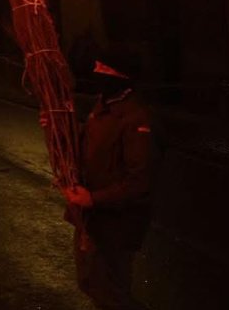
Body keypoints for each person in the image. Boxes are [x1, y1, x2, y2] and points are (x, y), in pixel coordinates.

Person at [56, 51, 159, 310]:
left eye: (105, 68)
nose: (98, 71)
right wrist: (56, 128)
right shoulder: (101, 105)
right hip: (92, 218)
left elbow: (139, 180)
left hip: (117, 222)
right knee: (89, 281)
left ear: (121, 76)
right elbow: (84, 145)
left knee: (112, 290)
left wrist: (94, 198)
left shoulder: (135, 117)